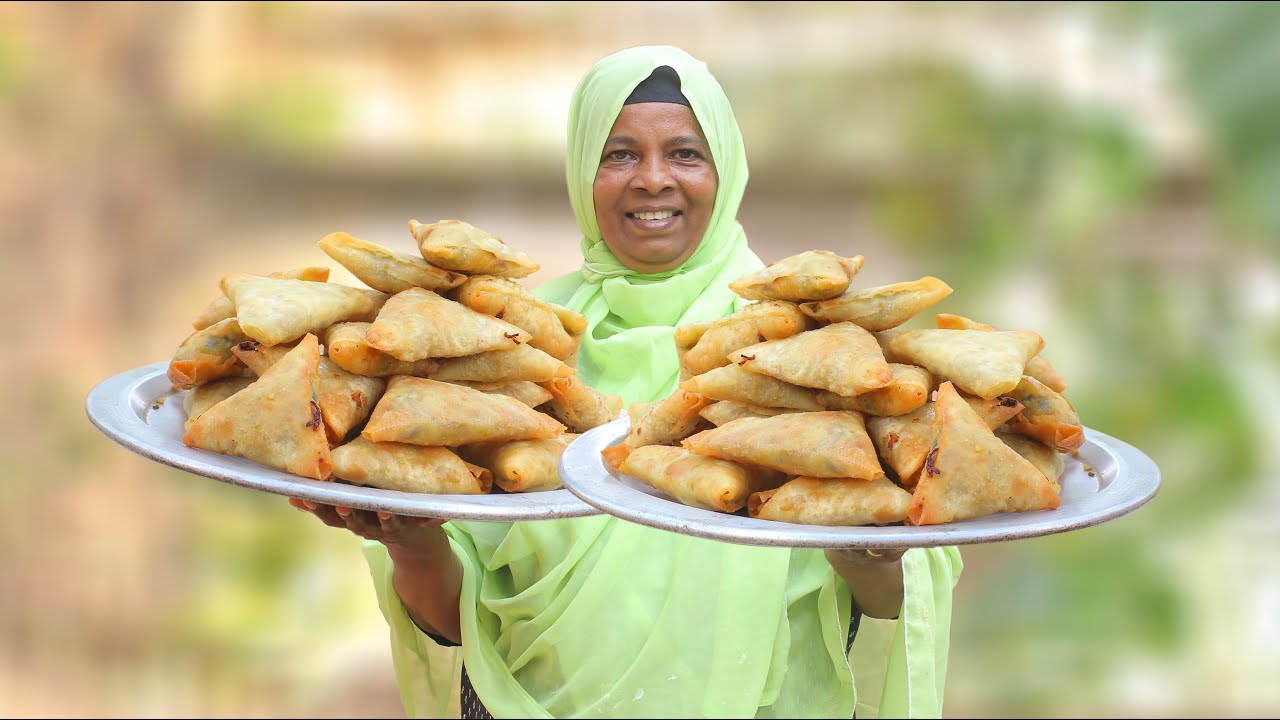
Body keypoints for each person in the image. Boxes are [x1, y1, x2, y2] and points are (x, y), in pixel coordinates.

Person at [292, 45, 962, 719]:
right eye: (618, 155)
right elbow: (450, 616)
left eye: (685, 153)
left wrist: (874, 556)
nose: (652, 179)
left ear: (725, 169)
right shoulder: (506, 341)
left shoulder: (813, 355)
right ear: (583, 170)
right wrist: (409, 542)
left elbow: (889, 603)